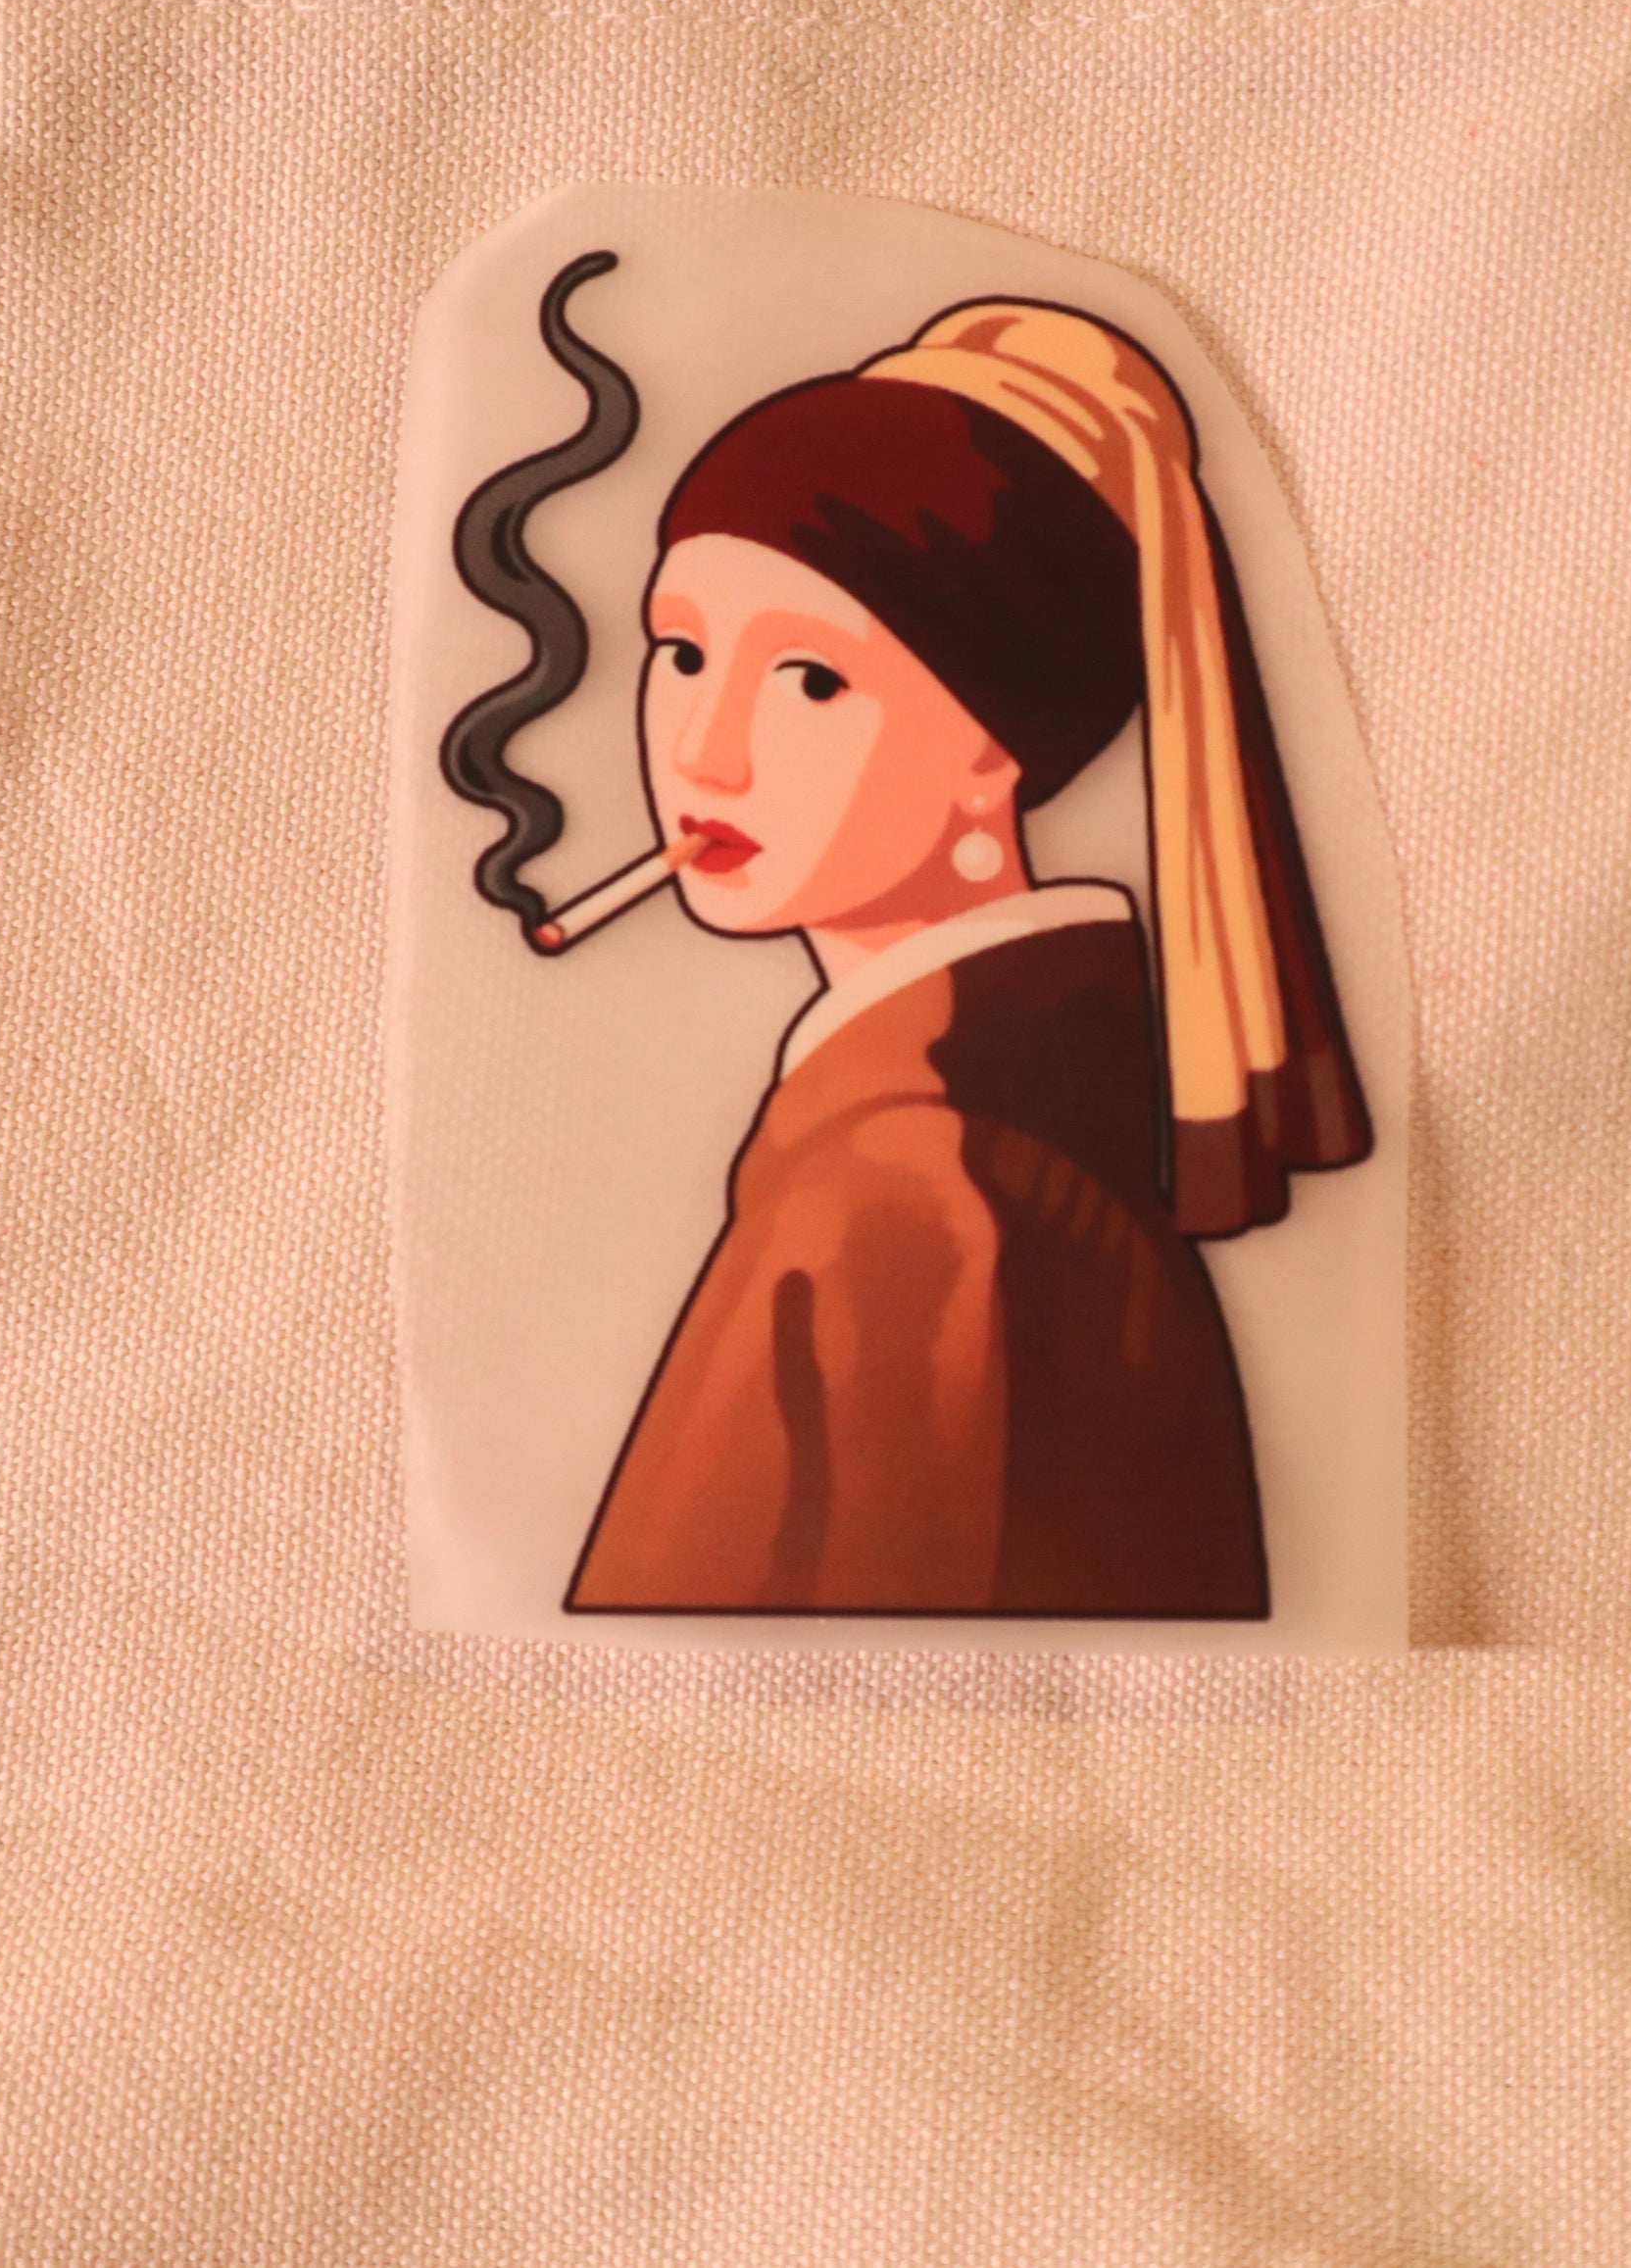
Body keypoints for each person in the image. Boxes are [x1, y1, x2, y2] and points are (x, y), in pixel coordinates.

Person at [445, 275, 1370, 1617]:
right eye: (682, 653)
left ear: (995, 742)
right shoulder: (1031, 1096)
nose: (705, 753)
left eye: (811, 679)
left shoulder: (913, 1186)